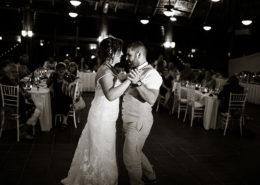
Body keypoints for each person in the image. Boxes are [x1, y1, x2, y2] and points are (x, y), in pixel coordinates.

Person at [61, 37, 137, 185]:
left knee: (103, 148)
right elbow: (110, 95)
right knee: (101, 150)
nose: (121, 54)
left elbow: (111, 86)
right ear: (111, 52)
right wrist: (129, 81)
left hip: (105, 116)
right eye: (119, 51)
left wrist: (120, 78)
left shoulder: (108, 68)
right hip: (102, 117)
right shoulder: (105, 70)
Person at [122, 41, 162, 185]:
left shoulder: (152, 73)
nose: (127, 57)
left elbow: (151, 99)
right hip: (129, 118)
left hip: (139, 121)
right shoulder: (135, 70)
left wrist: (138, 83)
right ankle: (151, 176)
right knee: (136, 151)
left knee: (129, 157)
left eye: (129, 55)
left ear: (139, 54)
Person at [0, 60, 40, 139]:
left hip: (12, 104)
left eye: (16, 72)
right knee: (36, 109)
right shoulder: (8, 82)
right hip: (14, 106)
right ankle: (23, 131)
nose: (16, 73)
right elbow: (17, 96)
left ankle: (24, 128)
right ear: (8, 72)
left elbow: (21, 92)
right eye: (14, 72)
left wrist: (24, 94)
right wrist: (25, 95)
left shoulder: (8, 80)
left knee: (35, 106)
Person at [47, 62, 72, 127]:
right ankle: (62, 120)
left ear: (65, 69)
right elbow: (48, 84)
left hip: (65, 96)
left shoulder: (67, 76)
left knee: (66, 100)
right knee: (60, 100)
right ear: (56, 70)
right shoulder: (53, 76)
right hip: (56, 97)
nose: (61, 71)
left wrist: (71, 84)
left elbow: (78, 79)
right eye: (59, 69)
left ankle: (64, 121)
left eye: (63, 69)